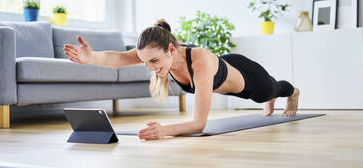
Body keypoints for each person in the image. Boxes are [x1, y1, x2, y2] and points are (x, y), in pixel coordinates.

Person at [63, 19, 300, 140]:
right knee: (268, 95)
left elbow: (199, 124)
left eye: (154, 62)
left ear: (172, 50)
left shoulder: (200, 62)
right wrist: (91, 56)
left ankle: (292, 93)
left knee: (272, 89)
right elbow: (117, 59)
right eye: (145, 62)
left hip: (247, 79)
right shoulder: (156, 53)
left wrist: (164, 131)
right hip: (224, 69)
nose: (150, 68)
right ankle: (271, 99)